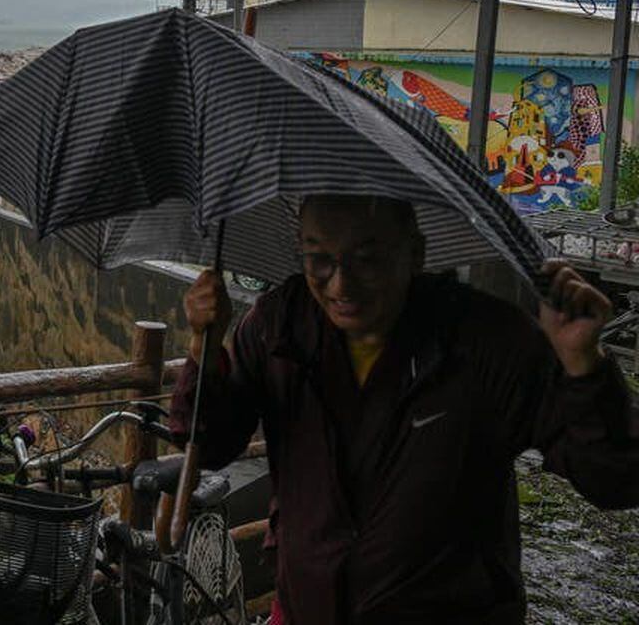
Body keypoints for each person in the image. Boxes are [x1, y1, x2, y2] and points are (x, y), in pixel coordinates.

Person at [170, 194, 639, 625]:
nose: (341, 284)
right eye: (318, 259)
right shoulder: (278, 326)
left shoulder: (486, 343)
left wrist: (584, 367)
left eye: (367, 259)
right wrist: (203, 354)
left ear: (415, 251)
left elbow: (613, 477)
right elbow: (211, 444)